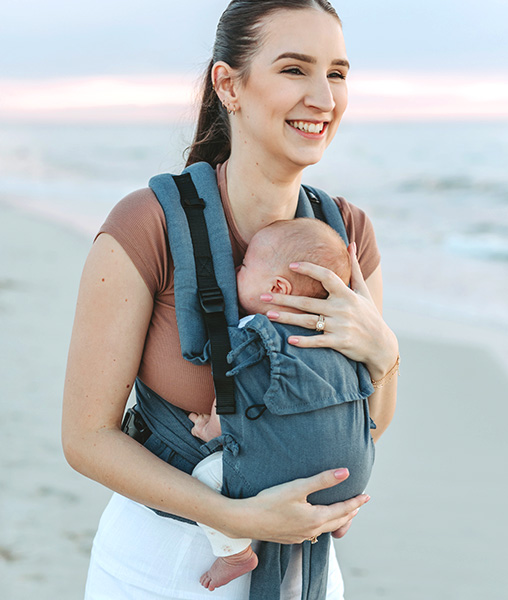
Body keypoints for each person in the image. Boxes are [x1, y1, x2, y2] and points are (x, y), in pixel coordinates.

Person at [61, 1, 400, 598]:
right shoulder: (150, 225)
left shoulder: (347, 234)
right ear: (229, 84)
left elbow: (367, 419)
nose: (323, 97)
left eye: (338, 73)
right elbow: (86, 438)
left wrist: (385, 353)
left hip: (305, 572)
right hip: (166, 568)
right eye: (295, 69)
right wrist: (236, 519)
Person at [186, 218, 380, 592]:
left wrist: (209, 429)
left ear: (277, 288)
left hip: (280, 477)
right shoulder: (342, 337)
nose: (236, 270)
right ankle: (335, 513)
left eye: (243, 267)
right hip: (352, 478)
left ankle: (234, 553)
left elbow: (232, 392)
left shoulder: (253, 332)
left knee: (205, 478)